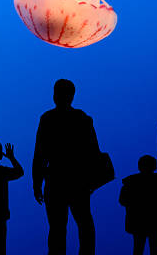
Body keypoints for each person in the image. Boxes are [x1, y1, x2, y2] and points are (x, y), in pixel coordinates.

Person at [32, 79, 101, 255]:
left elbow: (39, 152)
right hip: (78, 178)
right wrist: (92, 179)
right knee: (84, 222)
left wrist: (36, 182)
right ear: (72, 96)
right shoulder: (83, 118)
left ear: (55, 95)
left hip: (56, 178)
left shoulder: (47, 118)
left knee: (57, 226)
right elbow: (94, 151)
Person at [119, 155, 157, 255]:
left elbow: (122, 201)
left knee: (138, 248)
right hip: (155, 220)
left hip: (136, 220)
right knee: (156, 247)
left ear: (139, 166)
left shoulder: (130, 182)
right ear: (154, 166)